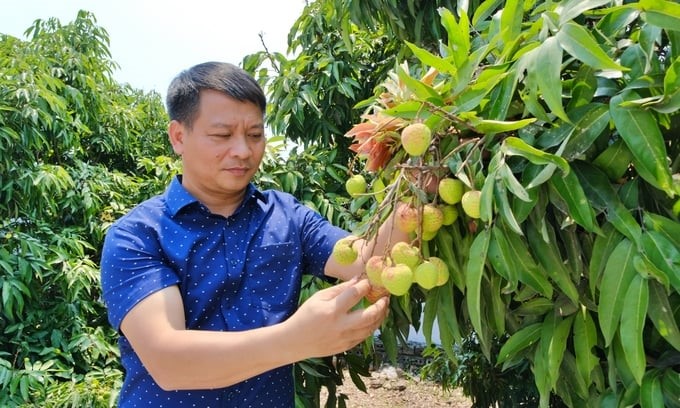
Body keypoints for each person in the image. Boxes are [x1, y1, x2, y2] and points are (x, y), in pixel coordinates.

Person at [100, 61, 408, 407]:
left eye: (255, 134)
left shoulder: (286, 215)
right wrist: (298, 339)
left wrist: (418, 185)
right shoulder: (138, 234)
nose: (244, 151)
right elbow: (169, 362)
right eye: (222, 135)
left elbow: (368, 261)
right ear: (178, 137)